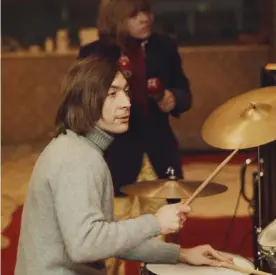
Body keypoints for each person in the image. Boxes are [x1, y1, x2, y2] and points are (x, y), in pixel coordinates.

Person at [15, 56, 231, 275]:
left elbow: (106, 235)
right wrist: (155, 223)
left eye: (126, 92)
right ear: (87, 99)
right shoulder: (76, 158)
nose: (126, 103)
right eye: (112, 94)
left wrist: (181, 254)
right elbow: (86, 244)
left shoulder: (78, 147)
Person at [78, 1, 192, 273]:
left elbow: (185, 92)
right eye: (135, 14)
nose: (145, 18)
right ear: (116, 19)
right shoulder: (94, 53)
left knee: (158, 236)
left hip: (158, 154)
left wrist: (174, 98)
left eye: (147, 11)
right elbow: (83, 104)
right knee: (109, 239)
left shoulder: (164, 47)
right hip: (113, 159)